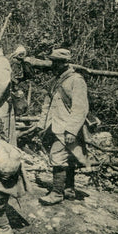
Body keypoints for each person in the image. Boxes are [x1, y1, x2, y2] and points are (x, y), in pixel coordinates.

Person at [37, 49, 89, 205]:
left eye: (56, 62)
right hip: (54, 125)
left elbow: (80, 108)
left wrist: (72, 130)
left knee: (58, 156)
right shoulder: (56, 80)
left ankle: (57, 193)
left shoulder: (76, 80)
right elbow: (47, 103)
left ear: (65, 63)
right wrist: (41, 124)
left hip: (67, 127)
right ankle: (69, 189)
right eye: (53, 61)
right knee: (68, 157)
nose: (53, 65)